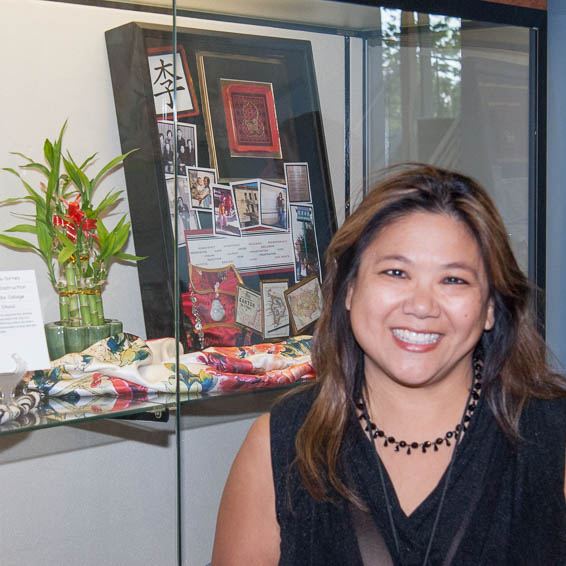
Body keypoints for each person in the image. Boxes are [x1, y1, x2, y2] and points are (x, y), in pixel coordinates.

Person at [212, 164, 566, 565]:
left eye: (454, 280)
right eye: (396, 273)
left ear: (488, 307)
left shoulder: (555, 438)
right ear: (349, 289)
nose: (421, 306)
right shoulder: (277, 446)